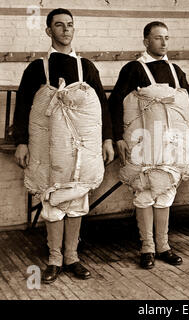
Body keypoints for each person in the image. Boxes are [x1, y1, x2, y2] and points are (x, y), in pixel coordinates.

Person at [13, 8, 115, 283]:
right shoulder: (37, 68)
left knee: (77, 197)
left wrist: (107, 138)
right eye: (59, 25)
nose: (66, 30)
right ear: (49, 31)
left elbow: (101, 107)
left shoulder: (87, 67)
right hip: (49, 147)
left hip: (82, 148)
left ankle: (72, 257)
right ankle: (54, 258)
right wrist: (21, 142)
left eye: (70, 25)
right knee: (52, 198)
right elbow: (23, 105)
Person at [108, 21, 189, 269]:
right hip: (142, 143)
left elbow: (187, 107)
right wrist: (118, 138)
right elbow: (116, 103)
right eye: (158, 38)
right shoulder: (133, 69)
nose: (164, 42)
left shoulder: (176, 70)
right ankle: (147, 247)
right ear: (146, 41)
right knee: (145, 192)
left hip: (171, 144)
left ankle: (164, 246)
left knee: (166, 193)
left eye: (166, 37)